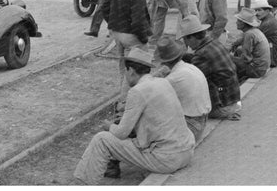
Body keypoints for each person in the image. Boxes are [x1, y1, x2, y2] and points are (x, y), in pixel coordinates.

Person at [73, 48, 195, 185]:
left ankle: (84, 183)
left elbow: (121, 133)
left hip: (167, 160)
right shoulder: (163, 82)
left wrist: (109, 126)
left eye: (125, 72)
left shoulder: (137, 91)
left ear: (130, 71)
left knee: (101, 139)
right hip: (187, 152)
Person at [102, 0, 153, 100]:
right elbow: (138, 21)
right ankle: (124, 104)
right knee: (137, 72)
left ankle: (123, 100)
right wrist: (143, 40)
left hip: (118, 34)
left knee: (124, 70)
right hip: (133, 37)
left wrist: (115, 25)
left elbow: (105, 7)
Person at [178, 15, 241, 120]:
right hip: (232, 99)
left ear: (192, 37)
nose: (186, 44)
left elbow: (191, 80)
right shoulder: (214, 43)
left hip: (223, 106)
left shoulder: (201, 54)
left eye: (185, 39)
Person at [154, 36, 211, 142]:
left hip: (190, 128)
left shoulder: (173, 78)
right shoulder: (189, 68)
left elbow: (153, 93)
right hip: (201, 121)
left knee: (152, 114)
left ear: (163, 61)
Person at [230, 8, 270, 82]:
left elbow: (246, 59)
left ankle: (233, 82)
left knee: (228, 59)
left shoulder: (249, 34)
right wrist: (235, 44)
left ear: (244, 24)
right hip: (262, 67)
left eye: (238, 21)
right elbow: (241, 40)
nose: (236, 23)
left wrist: (231, 57)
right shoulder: (254, 31)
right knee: (238, 51)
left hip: (257, 70)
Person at [253, 0, 277, 68]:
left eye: (259, 10)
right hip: (272, 55)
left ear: (267, 11)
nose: (256, 13)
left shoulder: (268, 23)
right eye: (255, 10)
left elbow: (254, 37)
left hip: (272, 59)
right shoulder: (266, 20)